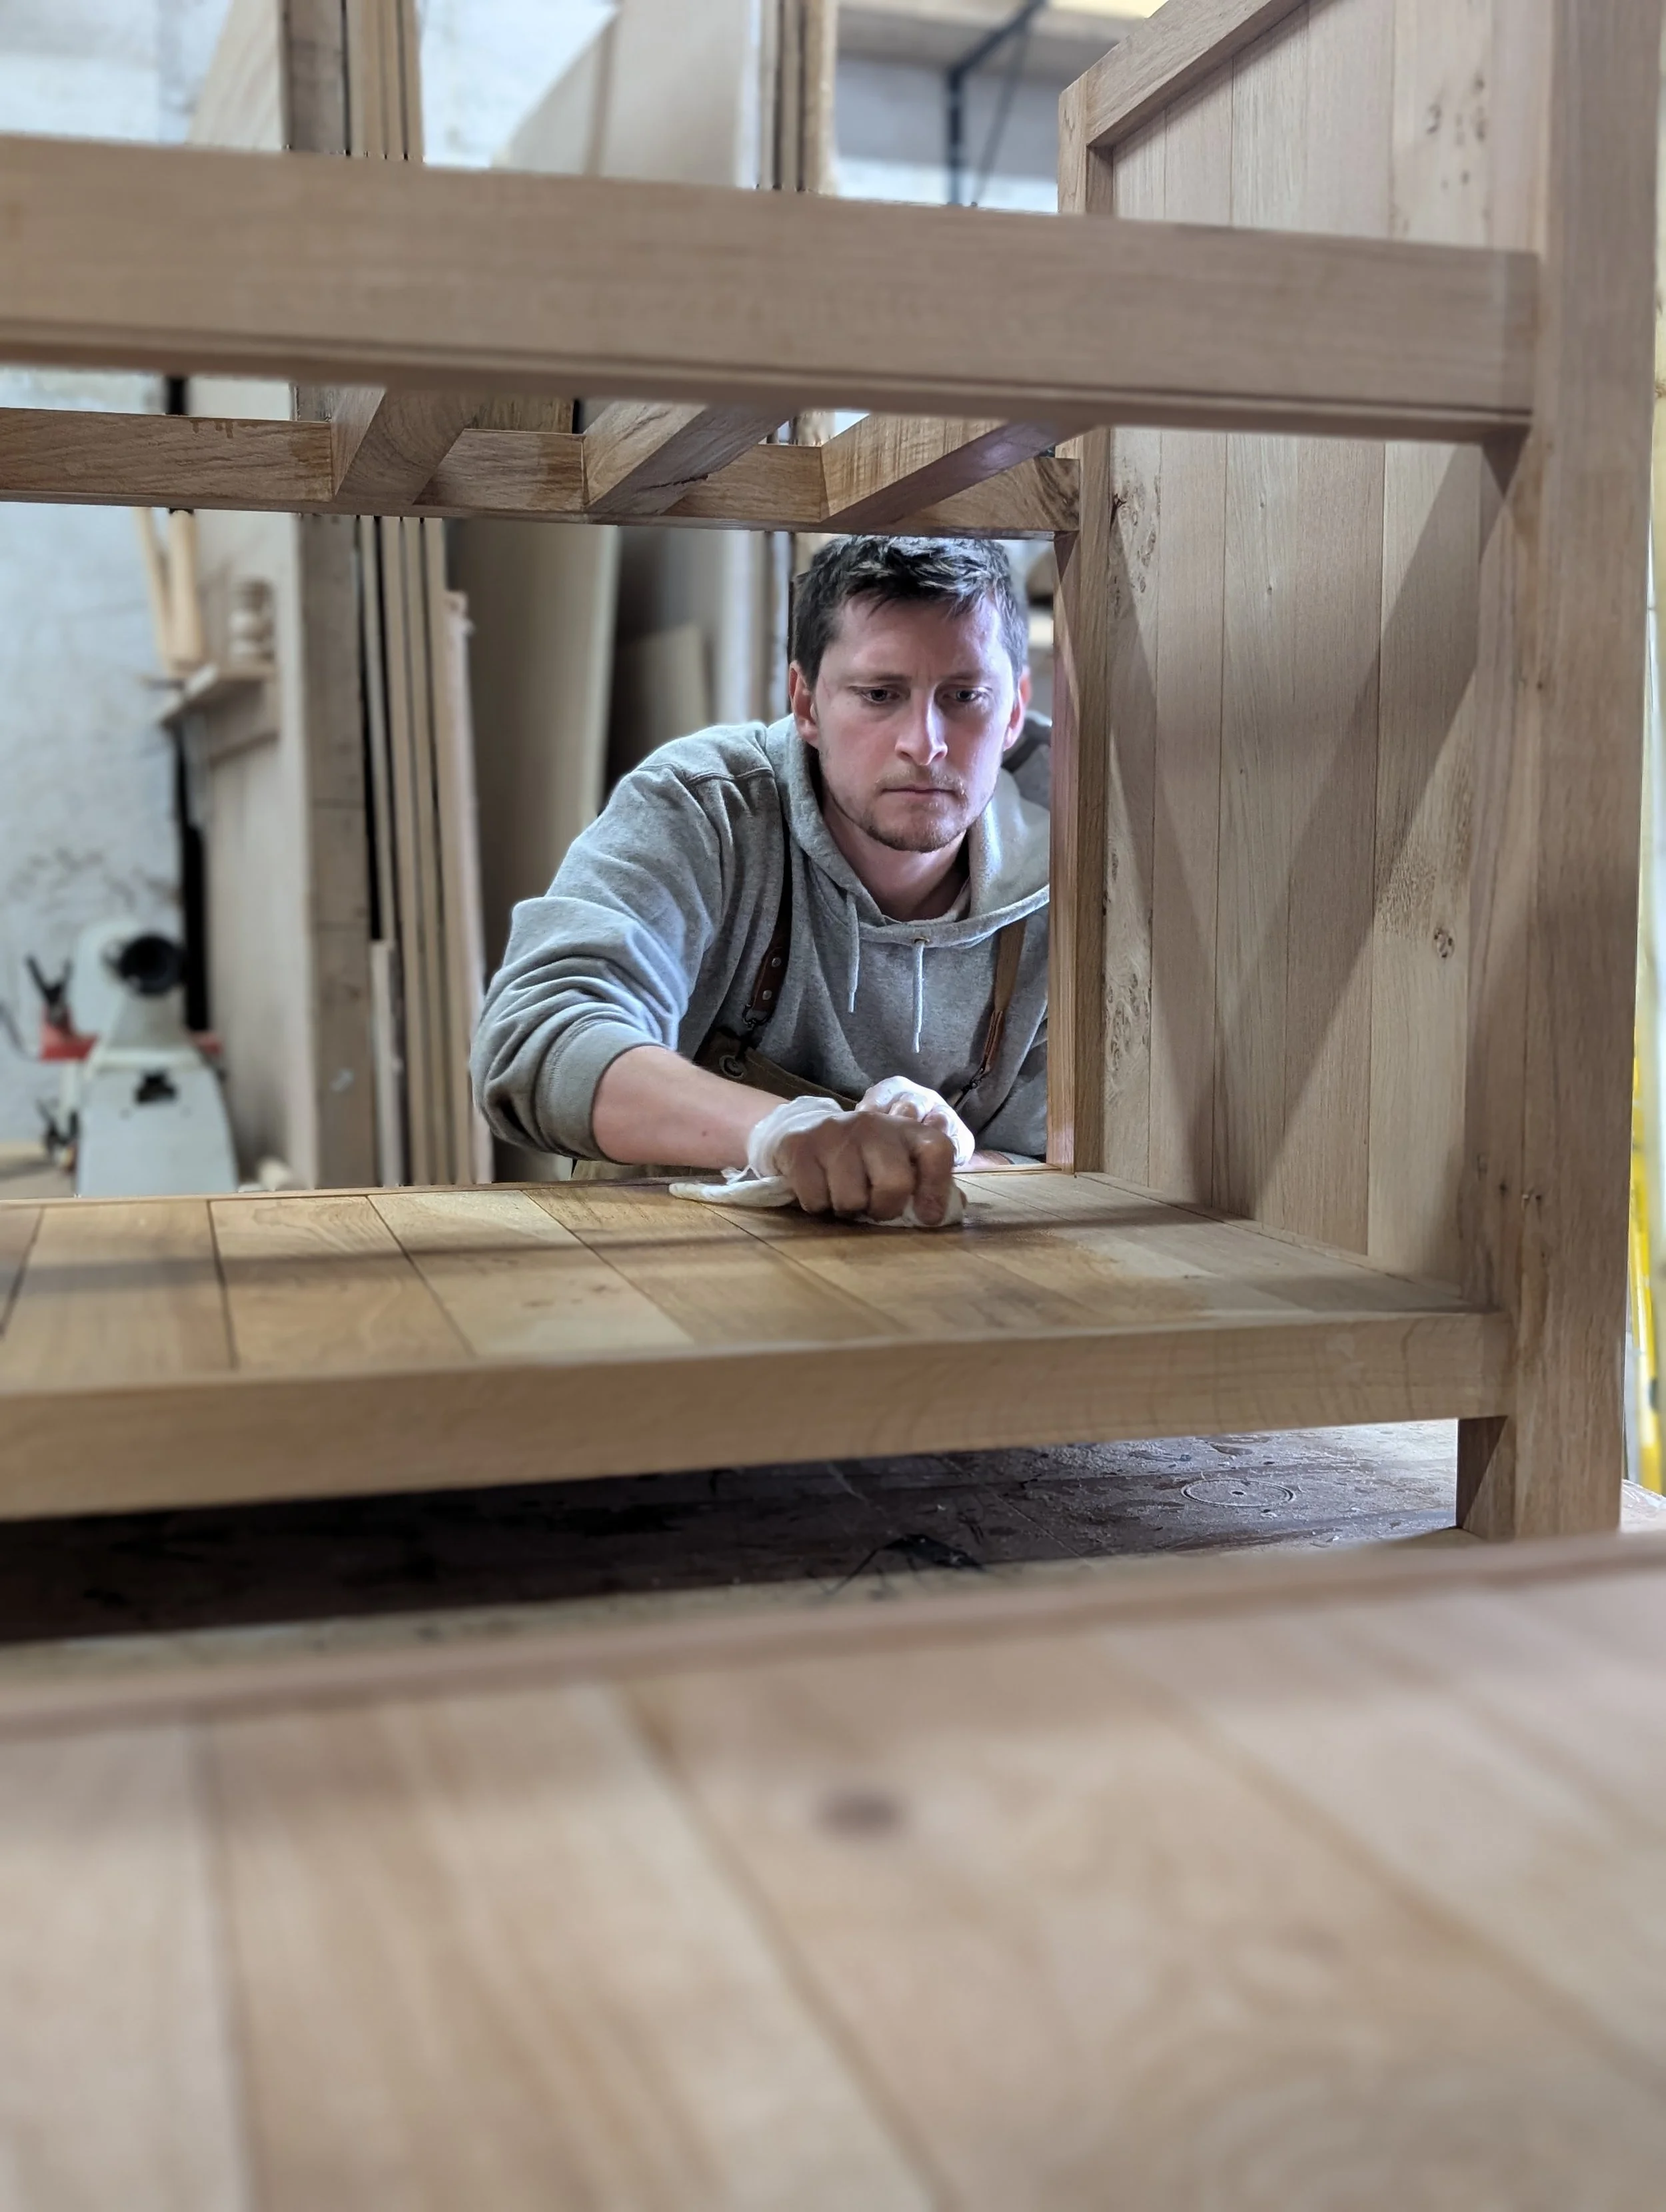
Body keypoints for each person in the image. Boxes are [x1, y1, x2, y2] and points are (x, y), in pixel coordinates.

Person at [472, 535, 1049, 1226]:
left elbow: (1064, 1160)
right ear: (805, 702)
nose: (923, 743)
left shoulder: (1084, 864)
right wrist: (781, 1130)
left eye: (964, 695)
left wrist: (945, 1157)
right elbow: (535, 1040)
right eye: (878, 694)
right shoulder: (703, 808)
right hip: (668, 1276)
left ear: (1014, 707)